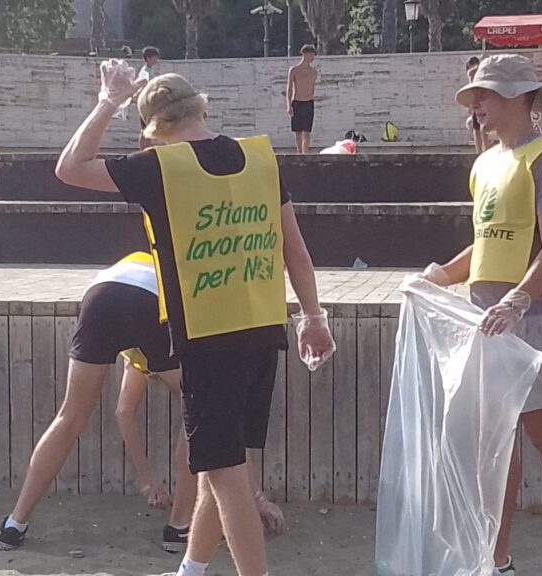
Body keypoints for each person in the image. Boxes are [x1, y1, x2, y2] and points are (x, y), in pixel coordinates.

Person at [55, 60, 335, 576]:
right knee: (220, 464)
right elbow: (294, 249)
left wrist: (108, 100)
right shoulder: (260, 157)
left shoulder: (161, 167)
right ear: (200, 107)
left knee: (227, 476)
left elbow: (70, 167)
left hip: (208, 339)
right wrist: (313, 316)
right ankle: (191, 570)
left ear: (154, 130)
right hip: (262, 331)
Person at [421, 54, 542, 576]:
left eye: (485, 95)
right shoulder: (485, 164)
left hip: (532, 322)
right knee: (495, 448)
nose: (476, 104)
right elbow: (485, 245)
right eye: (475, 96)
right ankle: (497, 560)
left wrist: (518, 299)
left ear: (518, 98)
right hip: (486, 322)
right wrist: (437, 276)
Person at [0, 252, 284, 554]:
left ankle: (14, 525)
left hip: (101, 293)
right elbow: (219, 418)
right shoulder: (192, 306)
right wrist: (257, 498)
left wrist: (147, 482)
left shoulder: (137, 353)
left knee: (70, 416)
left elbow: (124, 411)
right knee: (201, 413)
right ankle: (179, 527)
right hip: (152, 300)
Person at [286, 44, 318, 154]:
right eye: (311, 55)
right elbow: (289, 88)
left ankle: (306, 155)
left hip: (308, 103)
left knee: (307, 132)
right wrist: (288, 104)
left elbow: (312, 88)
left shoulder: (314, 72)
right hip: (297, 102)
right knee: (298, 133)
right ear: (305, 54)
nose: (312, 58)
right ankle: (299, 154)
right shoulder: (294, 70)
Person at [465, 56, 491, 154]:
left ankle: (479, 150)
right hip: (484, 100)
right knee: (483, 126)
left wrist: (468, 104)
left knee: (477, 128)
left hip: (475, 100)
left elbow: (471, 87)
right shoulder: (484, 72)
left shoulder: (471, 73)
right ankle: (485, 148)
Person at [138, 46, 161, 150]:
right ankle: (143, 149)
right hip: (145, 103)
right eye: (154, 57)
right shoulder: (145, 72)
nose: (156, 60)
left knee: (148, 127)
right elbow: (144, 87)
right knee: (145, 128)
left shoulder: (149, 71)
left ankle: (146, 148)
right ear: (148, 58)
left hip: (149, 103)